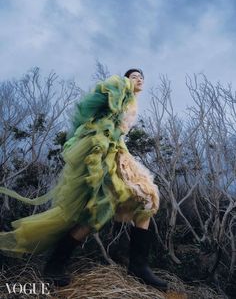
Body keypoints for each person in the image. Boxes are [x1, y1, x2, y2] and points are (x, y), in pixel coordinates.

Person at [0, 69, 168, 291]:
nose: (139, 79)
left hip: (118, 153)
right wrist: (98, 132)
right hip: (101, 154)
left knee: (147, 198)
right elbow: (86, 107)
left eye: (142, 77)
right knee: (97, 211)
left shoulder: (132, 102)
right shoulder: (118, 87)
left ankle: (138, 265)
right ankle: (55, 265)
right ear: (126, 79)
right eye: (134, 76)